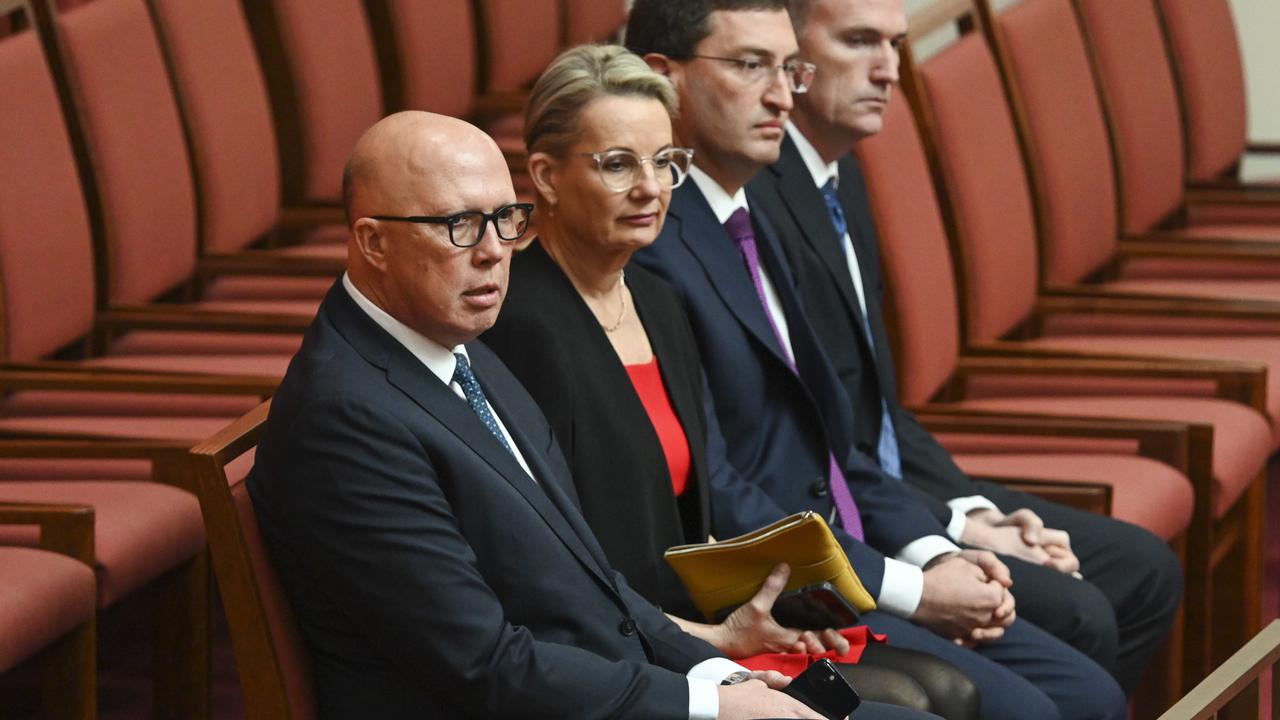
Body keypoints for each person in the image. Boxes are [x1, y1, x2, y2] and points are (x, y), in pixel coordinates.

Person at [246, 110, 935, 720]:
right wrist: (709, 705)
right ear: (371, 242)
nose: (493, 251)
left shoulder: (452, 340)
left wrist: (714, 666)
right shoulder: (347, 419)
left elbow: (584, 579)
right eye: (459, 225)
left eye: (504, 219)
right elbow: (483, 665)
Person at [624, 1, 1129, 719]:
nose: (781, 94)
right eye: (749, 66)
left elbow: (841, 437)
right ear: (663, 80)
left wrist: (935, 550)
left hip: (854, 551)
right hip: (784, 589)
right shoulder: (654, 251)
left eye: (785, 68)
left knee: (1090, 691)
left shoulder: (751, 212)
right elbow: (720, 488)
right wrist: (913, 585)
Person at [482, 43, 979, 719]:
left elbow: (699, 503)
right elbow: (554, 566)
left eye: (664, 163)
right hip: (621, 642)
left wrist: (780, 603)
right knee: (910, 704)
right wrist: (709, 639)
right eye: (618, 164)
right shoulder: (518, 327)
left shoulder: (658, 301)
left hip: (705, 612)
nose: (650, 189)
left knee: (952, 691)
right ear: (544, 175)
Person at [744, 0, 1181, 696]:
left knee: (1143, 568)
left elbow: (880, 411)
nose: (889, 70)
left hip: (893, 482)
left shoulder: (839, 167)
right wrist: (950, 533)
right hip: (839, 510)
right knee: (1080, 617)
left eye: (894, 43)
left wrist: (974, 514)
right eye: (860, 42)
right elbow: (828, 436)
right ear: (787, 58)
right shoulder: (757, 204)